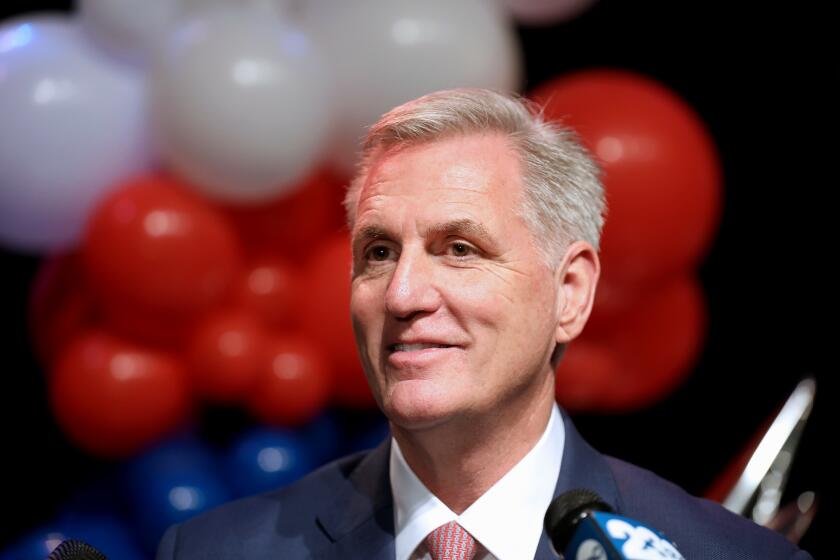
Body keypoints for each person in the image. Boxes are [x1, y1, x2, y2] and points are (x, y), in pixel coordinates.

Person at [156, 89, 813, 559]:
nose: (404, 293)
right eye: (378, 253)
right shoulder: (218, 549)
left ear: (571, 294)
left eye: (460, 249)